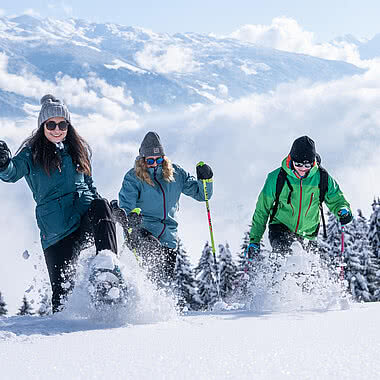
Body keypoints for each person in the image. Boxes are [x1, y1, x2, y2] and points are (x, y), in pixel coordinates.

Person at [0, 95, 119, 313]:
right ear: (42, 126)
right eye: (51, 124)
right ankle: (60, 340)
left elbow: (90, 187)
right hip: (56, 233)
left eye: (62, 124)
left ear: (68, 126)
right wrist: (3, 163)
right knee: (62, 298)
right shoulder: (32, 154)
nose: (57, 129)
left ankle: (108, 270)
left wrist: (108, 214)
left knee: (101, 204)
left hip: (83, 219)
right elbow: (11, 173)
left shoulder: (77, 152)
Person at [113, 131, 213, 289]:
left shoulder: (176, 174)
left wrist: (205, 180)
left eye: (159, 159)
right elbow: (126, 205)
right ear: (142, 159)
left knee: (162, 284)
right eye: (150, 160)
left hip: (168, 237)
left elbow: (202, 195)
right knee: (149, 269)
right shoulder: (133, 177)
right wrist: (130, 217)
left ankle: (157, 311)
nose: (154, 163)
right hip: (142, 232)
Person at [247, 135, 352, 258]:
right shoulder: (276, 178)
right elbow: (262, 210)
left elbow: (336, 199)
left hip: (308, 233)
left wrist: (343, 210)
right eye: (299, 164)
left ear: (313, 163)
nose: (303, 169)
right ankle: (276, 275)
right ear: (291, 160)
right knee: (285, 257)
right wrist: (254, 240)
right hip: (280, 227)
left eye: (307, 166)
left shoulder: (322, 178)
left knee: (306, 270)